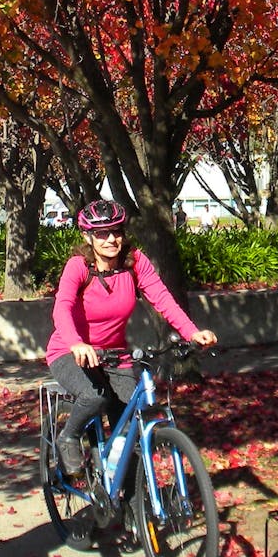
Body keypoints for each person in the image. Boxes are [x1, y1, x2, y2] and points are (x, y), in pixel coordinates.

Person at [46, 199, 217, 476]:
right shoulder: (78, 267)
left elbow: (162, 299)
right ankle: (69, 437)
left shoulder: (135, 263)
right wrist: (77, 343)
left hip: (115, 355)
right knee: (95, 396)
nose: (111, 239)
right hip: (70, 351)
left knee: (129, 432)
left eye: (116, 231)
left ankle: (128, 498)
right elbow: (62, 307)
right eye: (101, 233)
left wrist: (192, 332)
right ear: (88, 237)